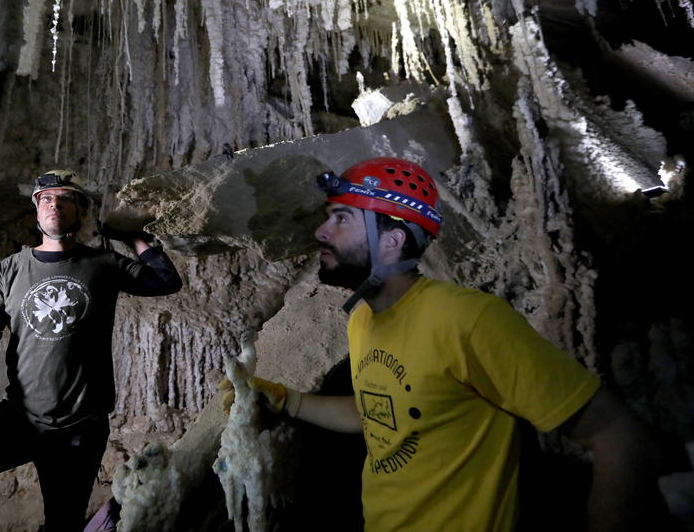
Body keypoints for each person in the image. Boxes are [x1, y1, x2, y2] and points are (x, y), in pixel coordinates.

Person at [229, 156, 661, 531]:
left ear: (392, 241)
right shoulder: (363, 320)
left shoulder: (468, 320)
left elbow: (618, 436)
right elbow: (380, 415)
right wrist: (287, 400)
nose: (322, 231)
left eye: (342, 218)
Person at [0, 170, 183, 532]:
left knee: (62, 524)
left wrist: (132, 235)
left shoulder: (104, 264)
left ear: (81, 212)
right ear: (36, 212)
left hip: (79, 429)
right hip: (20, 419)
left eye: (66, 198)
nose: (55, 204)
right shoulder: (7, 271)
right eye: (46, 198)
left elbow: (165, 280)